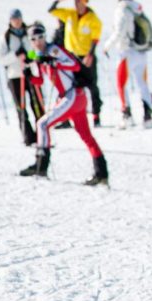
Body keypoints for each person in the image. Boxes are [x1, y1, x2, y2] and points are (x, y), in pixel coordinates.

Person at [19, 23, 108, 187]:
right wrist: (28, 75)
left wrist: (54, 62)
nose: (38, 42)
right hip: (71, 99)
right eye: (34, 39)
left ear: (45, 37)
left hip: (73, 96)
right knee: (85, 135)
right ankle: (101, 172)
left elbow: (73, 64)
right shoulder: (39, 56)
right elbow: (39, 81)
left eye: (40, 37)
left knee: (43, 124)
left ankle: (41, 166)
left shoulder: (53, 50)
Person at [49, 0, 103, 126]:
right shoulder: (70, 14)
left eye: (79, 0)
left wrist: (90, 54)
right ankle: (66, 117)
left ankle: (96, 114)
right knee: (69, 87)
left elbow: (95, 38)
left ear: (85, 2)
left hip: (86, 56)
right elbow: (52, 10)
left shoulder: (92, 18)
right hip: (71, 56)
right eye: (75, 1)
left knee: (91, 85)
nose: (76, 3)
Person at [103, 0, 152, 128]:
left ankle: (126, 115)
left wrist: (107, 45)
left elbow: (119, 31)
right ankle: (148, 115)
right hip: (141, 51)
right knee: (142, 84)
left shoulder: (122, 10)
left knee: (121, 83)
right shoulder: (138, 8)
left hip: (126, 51)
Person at [0, 9, 44, 145]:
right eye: (14, 19)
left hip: (31, 72)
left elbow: (37, 49)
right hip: (15, 75)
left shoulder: (29, 32)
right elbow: (1, 59)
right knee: (21, 107)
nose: (17, 21)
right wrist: (15, 55)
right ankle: (27, 136)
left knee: (37, 104)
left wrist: (30, 57)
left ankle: (42, 134)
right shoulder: (5, 37)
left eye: (18, 18)